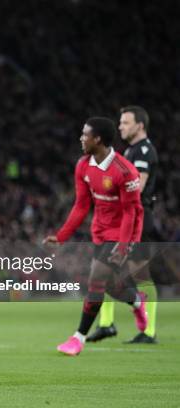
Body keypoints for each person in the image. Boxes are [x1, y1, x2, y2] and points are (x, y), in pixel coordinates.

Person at [43, 117, 147, 357]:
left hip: (125, 231)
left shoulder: (125, 171)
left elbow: (131, 212)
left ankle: (77, 338)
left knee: (97, 278)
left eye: (85, 134)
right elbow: (81, 206)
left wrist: (123, 247)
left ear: (97, 139)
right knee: (109, 286)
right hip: (100, 230)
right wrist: (61, 236)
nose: (81, 138)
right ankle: (137, 302)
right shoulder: (83, 165)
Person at [87, 106, 161, 344]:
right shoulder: (130, 151)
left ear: (140, 125)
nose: (120, 126)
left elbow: (136, 188)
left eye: (125, 122)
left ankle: (148, 330)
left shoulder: (143, 151)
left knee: (141, 274)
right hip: (121, 220)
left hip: (139, 218)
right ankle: (106, 323)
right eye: (119, 123)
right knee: (105, 270)